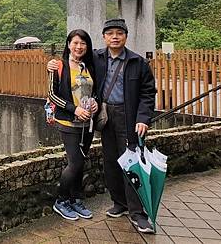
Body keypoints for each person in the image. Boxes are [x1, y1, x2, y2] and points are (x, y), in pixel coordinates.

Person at [48, 19, 157, 234]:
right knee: (110, 161)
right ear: (104, 37)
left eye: (119, 33)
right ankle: (119, 203)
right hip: (104, 116)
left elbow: (147, 93)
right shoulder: (97, 58)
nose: (114, 37)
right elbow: (69, 63)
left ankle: (137, 213)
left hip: (128, 116)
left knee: (130, 162)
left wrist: (143, 118)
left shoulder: (137, 62)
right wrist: (51, 64)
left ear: (126, 36)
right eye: (110, 33)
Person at [48, 29, 99, 221]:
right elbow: (52, 95)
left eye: (83, 43)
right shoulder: (58, 66)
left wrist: (95, 103)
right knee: (75, 162)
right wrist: (74, 109)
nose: (79, 47)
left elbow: (95, 92)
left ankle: (75, 199)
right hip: (68, 121)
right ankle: (61, 201)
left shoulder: (89, 66)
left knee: (81, 162)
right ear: (68, 44)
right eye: (75, 43)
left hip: (87, 123)